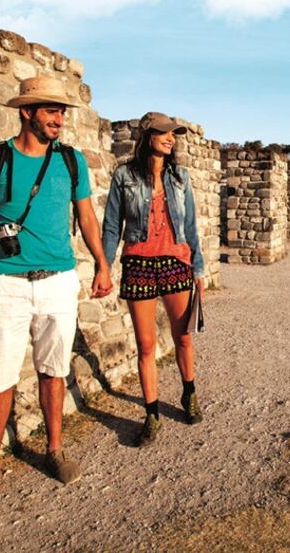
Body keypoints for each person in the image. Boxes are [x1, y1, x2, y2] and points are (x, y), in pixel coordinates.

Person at [0, 76, 113, 512]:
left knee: (53, 369)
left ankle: (54, 449)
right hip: (3, 282)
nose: (59, 119)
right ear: (26, 112)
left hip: (57, 281)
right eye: (51, 110)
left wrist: (102, 263)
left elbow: (87, 217)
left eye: (62, 111)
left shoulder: (72, 161)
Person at [102, 111, 206, 447]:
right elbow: (111, 226)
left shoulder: (180, 176)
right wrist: (104, 266)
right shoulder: (124, 176)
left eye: (173, 133)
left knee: (183, 337)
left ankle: (189, 393)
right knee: (146, 345)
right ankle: (151, 414)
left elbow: (191, 227)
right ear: (147, 136)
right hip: (139, 265)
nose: (171, 138)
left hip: (176, 262)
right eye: (164, 132)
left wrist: (198, 270)